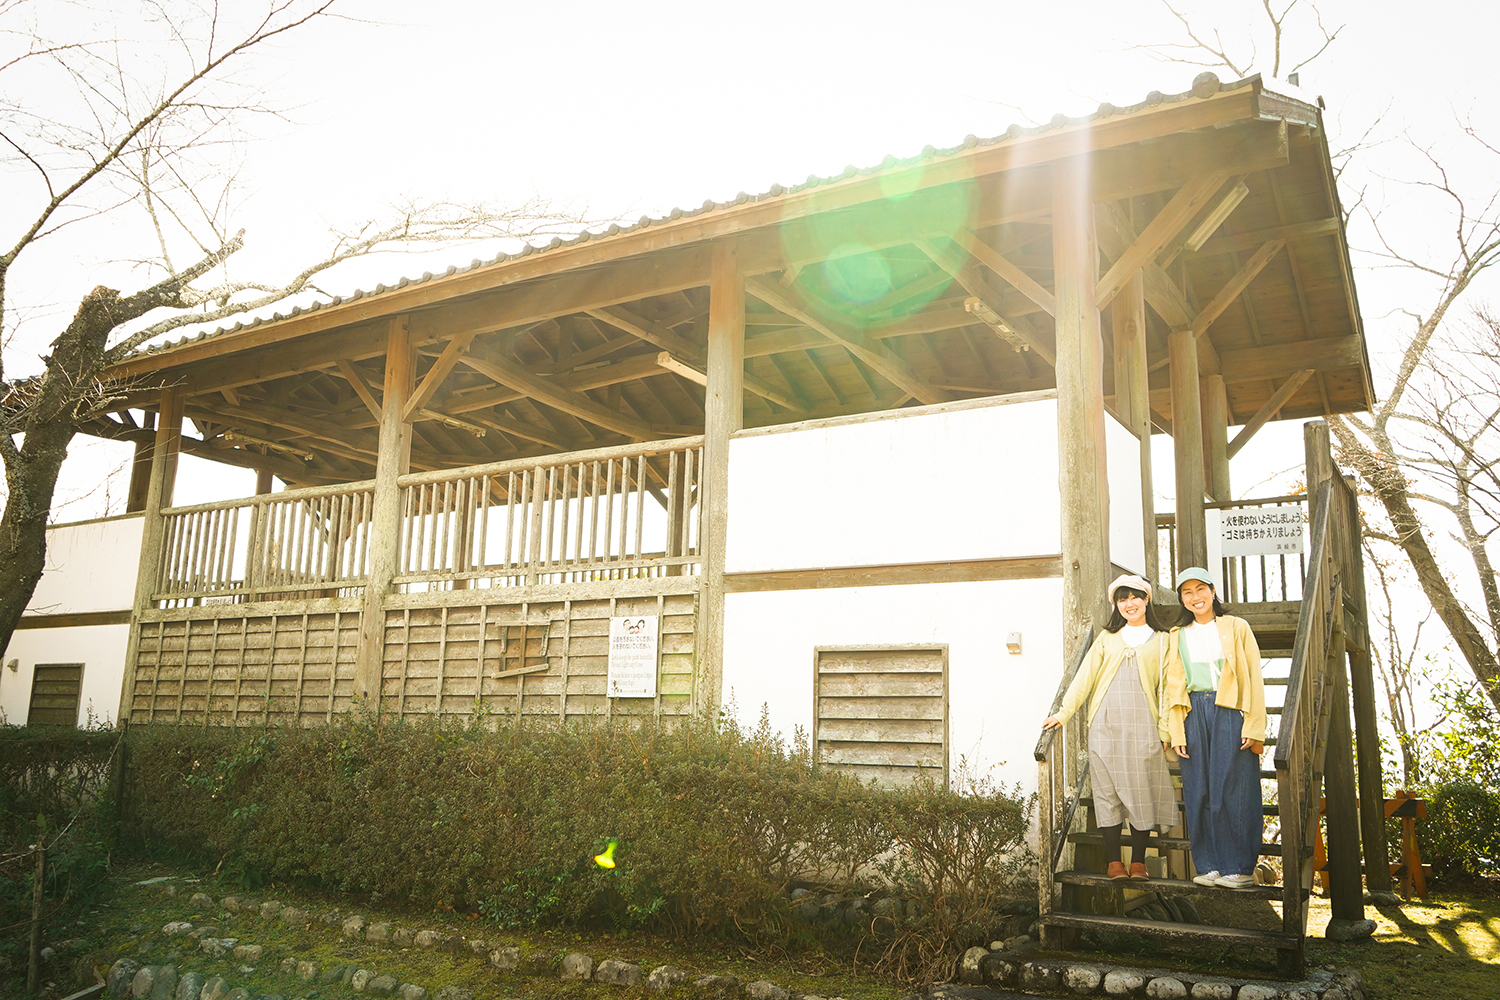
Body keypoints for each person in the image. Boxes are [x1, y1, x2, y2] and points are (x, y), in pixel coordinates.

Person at [1042, 574, 1176, 881]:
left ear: (1147, 599)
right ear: (1116, 604)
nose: (1129, 604)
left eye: (1135, 597)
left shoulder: (1165, 640)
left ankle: (1139, 862)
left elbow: (1169, 689)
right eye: (1122, 598)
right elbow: (1084, 678)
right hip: (1105, 726)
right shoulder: (1107, 638)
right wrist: (1063, 713)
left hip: (1145, 726)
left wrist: (1166, 732)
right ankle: (1114, 861)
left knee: (1141, 790)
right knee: (1107, 792)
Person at [1165, 567, 1267, 890]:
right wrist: (1176, 731)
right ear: (1182, 599)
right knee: (1198, 789)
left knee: (1233, 787)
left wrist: (1253, 724)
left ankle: (1239, 867)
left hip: (1230, 710)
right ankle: (1208, 864)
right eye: (1187, 593)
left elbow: (1253, 676)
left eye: (1200, 590)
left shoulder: (1237, 627)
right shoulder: (1176, 635)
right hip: (1193, 712)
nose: (1195, 598)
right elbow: (1171, 687)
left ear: (1212, 591)